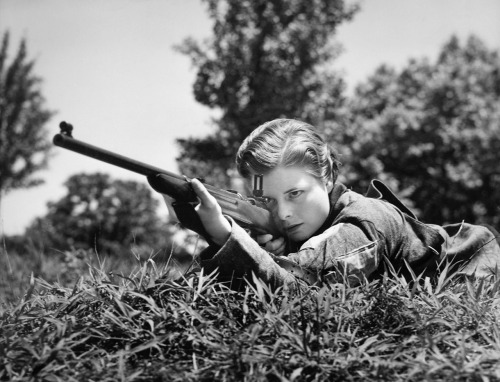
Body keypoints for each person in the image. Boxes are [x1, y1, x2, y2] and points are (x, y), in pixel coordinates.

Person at [170, 118, 500, 290]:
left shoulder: (360, 225)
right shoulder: (315, 222)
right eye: (267, 201)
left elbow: (297, 286)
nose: (282, 213)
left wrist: (225, 238)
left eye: (295, 193)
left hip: (474, 266)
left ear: (327, 178)